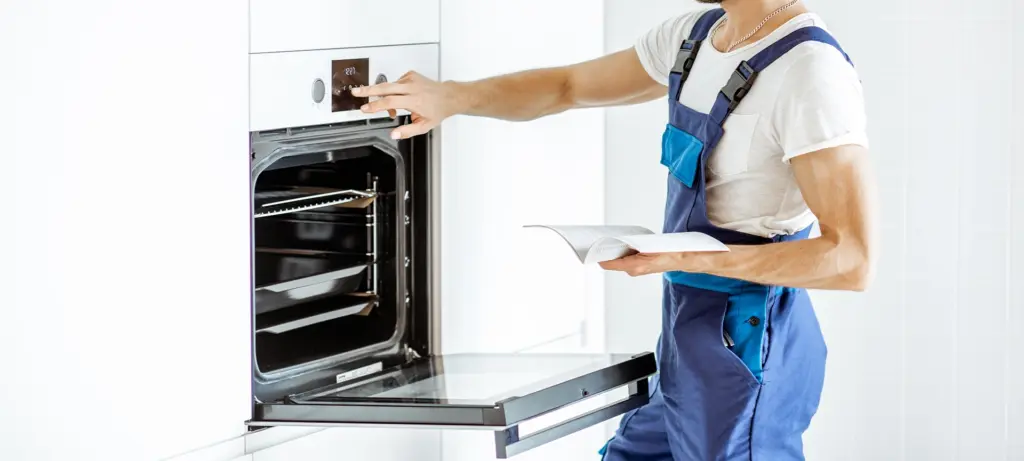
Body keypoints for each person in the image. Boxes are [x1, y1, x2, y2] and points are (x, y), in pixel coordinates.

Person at [353, 0, 877, 459]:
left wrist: (684, 259)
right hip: (685, 330)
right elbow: (568, 86)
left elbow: (850, 259)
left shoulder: (809, 71)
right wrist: (453, 97)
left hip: (746, 342)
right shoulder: (694, 38)